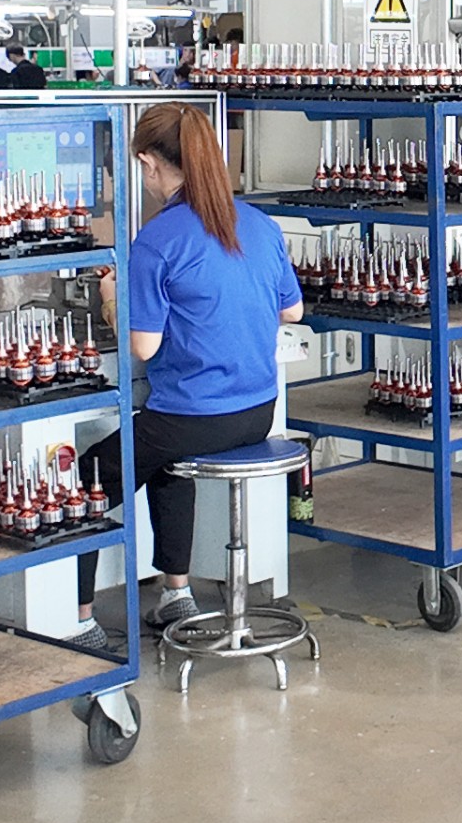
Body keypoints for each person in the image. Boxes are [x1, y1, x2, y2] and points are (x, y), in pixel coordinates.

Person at [81, 104, 306, 633]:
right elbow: (292, 310)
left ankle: (79, 619)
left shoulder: (158, 239)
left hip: (195, 417)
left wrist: (112, 298)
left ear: (148, 163)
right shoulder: (258, 224)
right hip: (256, 412)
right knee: (164, 460)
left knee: (84, 481)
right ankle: (176, 592)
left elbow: (143, 347)